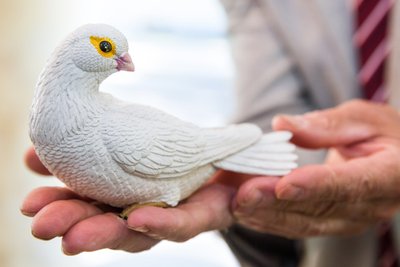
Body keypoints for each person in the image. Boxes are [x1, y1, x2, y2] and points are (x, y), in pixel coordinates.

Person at [21, 1, 400, 267]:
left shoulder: (114, 131)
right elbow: (271, 109)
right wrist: (259, 201)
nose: (125, 62)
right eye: (107, 50)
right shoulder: (67, 123)